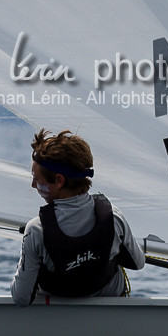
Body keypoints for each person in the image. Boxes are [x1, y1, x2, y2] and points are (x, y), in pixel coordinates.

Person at [10, 128, 145, 305]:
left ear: (59, 181)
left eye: (36, 178)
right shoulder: (113, 216)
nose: (33, 184)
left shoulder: (36, 230)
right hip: (108, 316)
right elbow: (138, 263)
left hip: (56, 317)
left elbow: (21, 297)